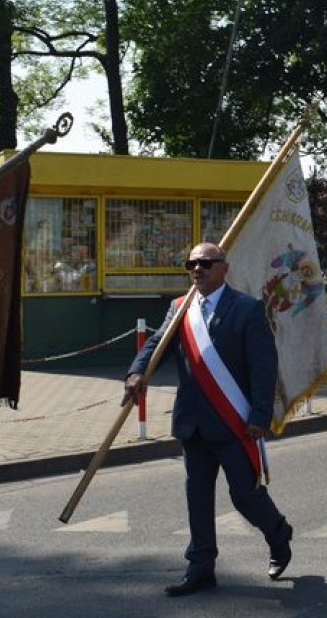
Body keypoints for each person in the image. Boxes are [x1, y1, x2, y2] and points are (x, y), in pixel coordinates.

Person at [124, 242, 293, 596]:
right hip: (193, 422)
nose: (196, 269)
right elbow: (156, 344)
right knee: (197, 496)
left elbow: (264, 368)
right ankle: (201, 566)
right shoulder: (179, 308)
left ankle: (278, 534)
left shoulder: (247, 309)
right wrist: (137, 372)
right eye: (191, 264)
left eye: (204, 263)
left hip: (235, 422)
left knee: (244, 495)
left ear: (223, 268)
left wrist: (261, 414)